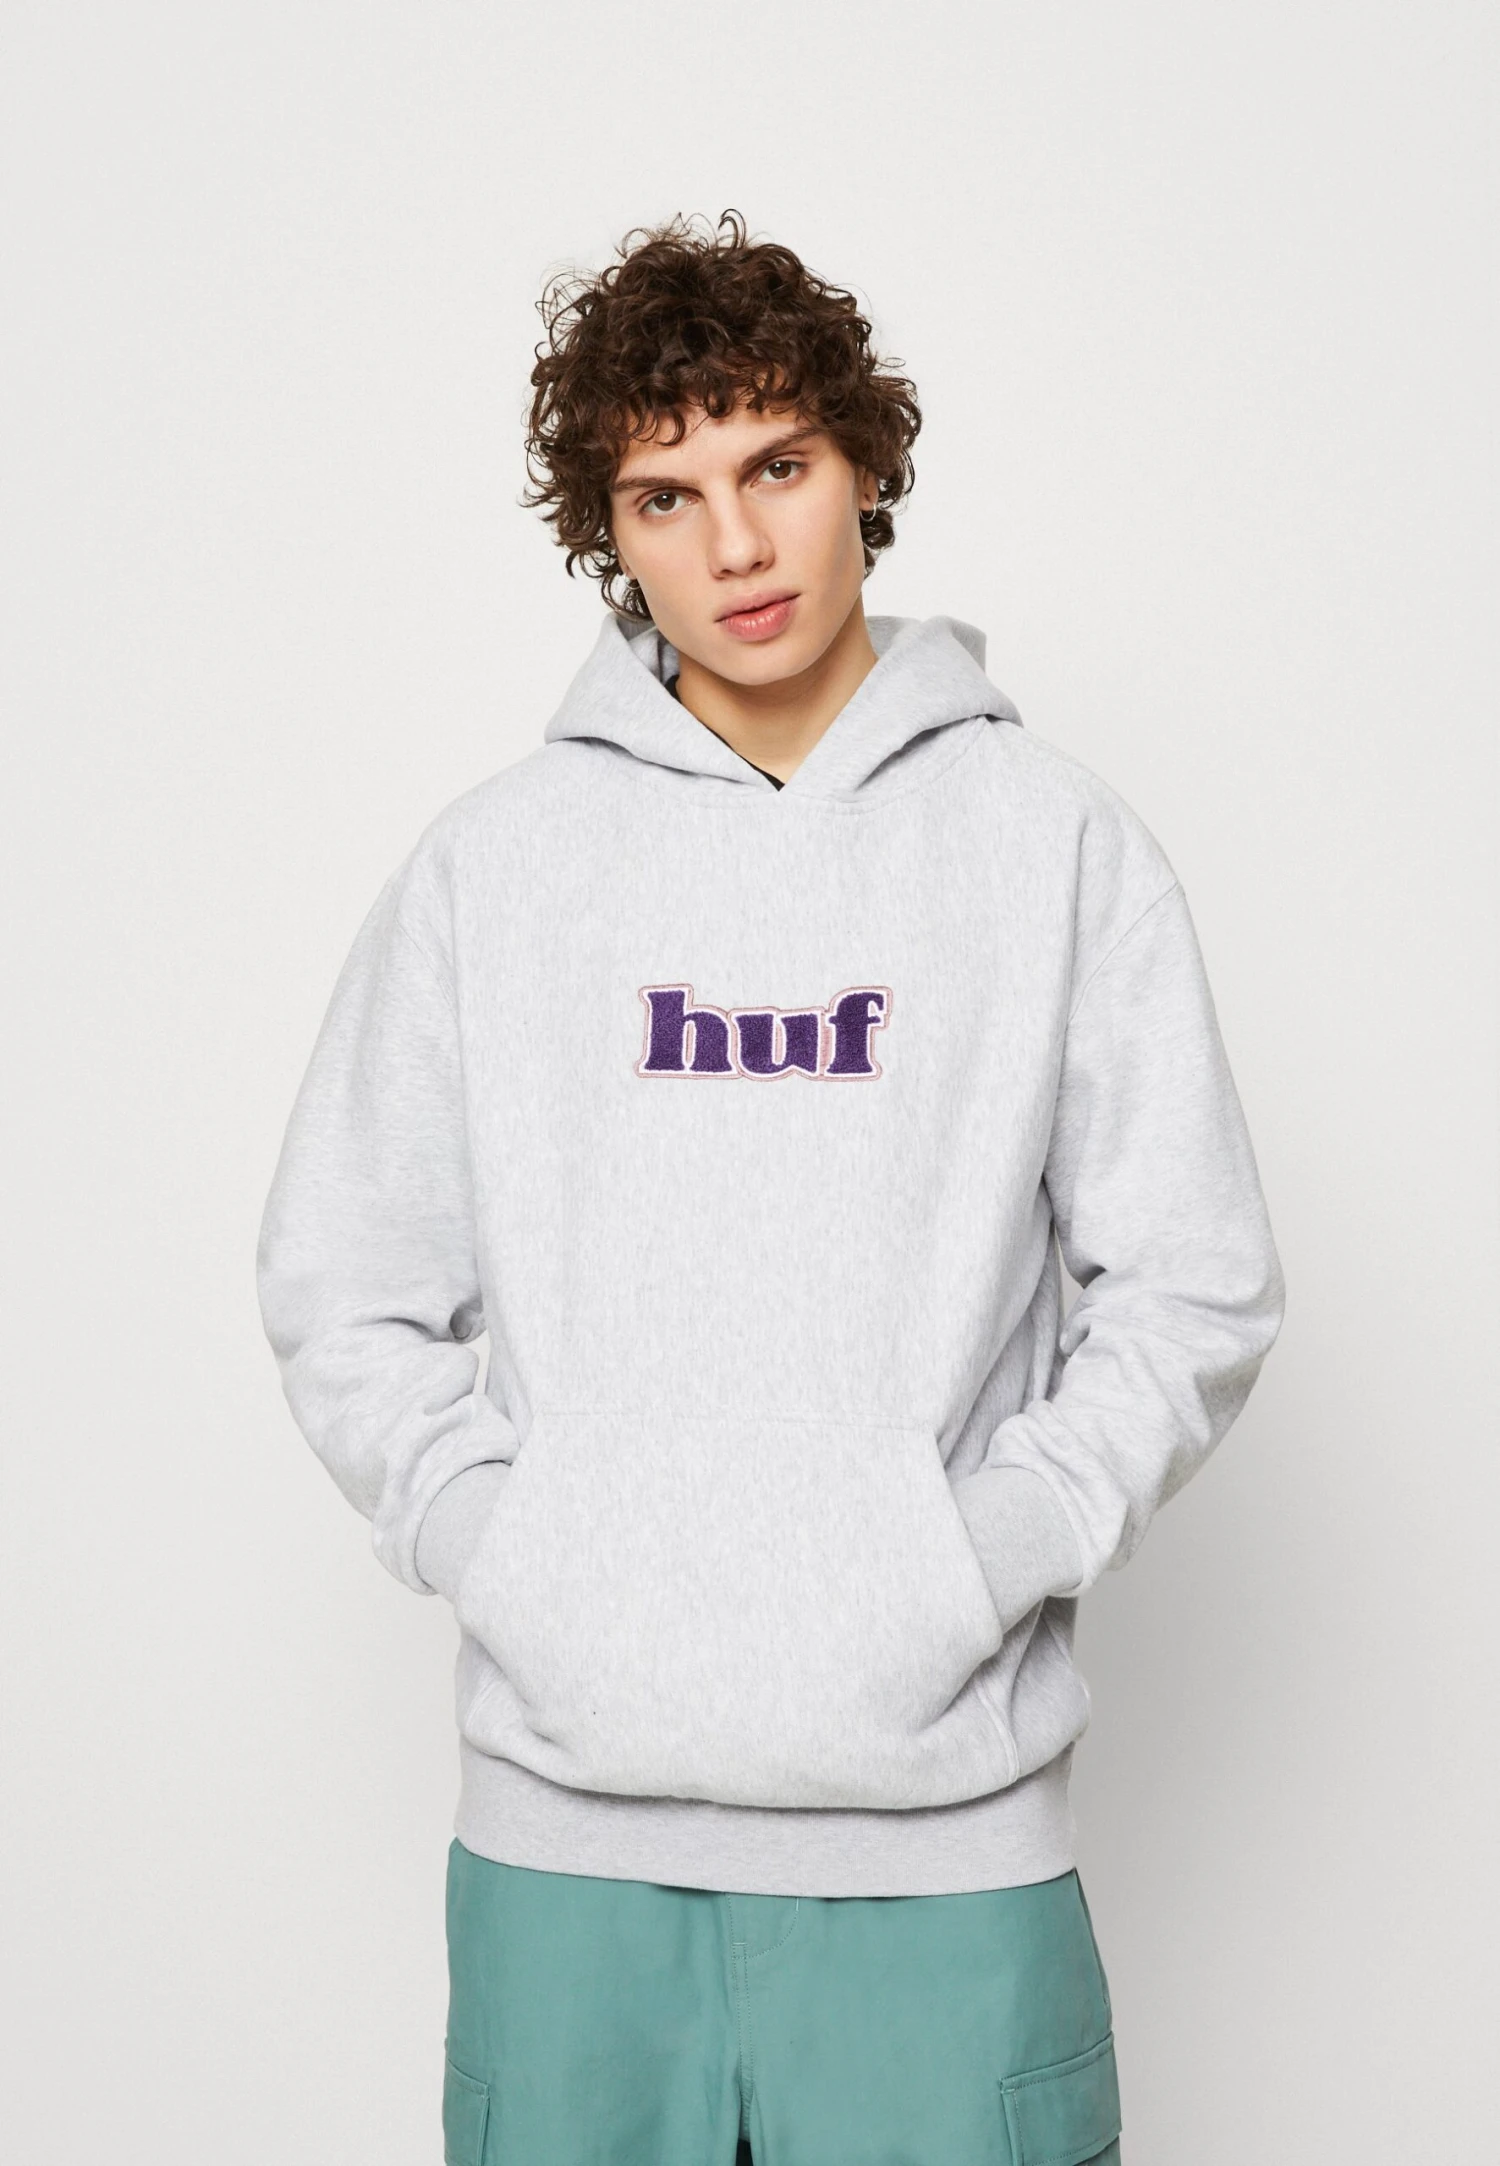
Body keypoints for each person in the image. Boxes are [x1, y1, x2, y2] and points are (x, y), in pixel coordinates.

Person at [256, 208, 1285, 2166]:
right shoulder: (496, 868)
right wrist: (517, 1552)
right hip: (569, 1863)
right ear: (612, 533)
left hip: (944, 1856)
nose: (735, 544)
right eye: (668, 494)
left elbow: (1195, 1283)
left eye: (778, 467)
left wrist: (974, 1555)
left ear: (864, 466)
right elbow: (343, 1281)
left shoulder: (1051, 846)